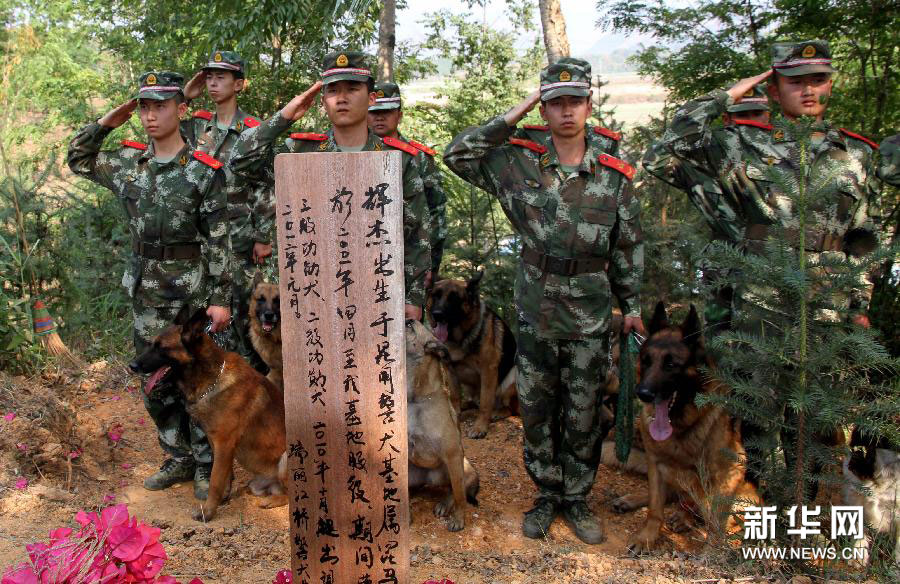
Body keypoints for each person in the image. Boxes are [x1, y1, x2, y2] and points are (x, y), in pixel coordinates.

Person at [642, 40, 886, 501]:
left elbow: (864, 237)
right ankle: (766, 519)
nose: (808, 90)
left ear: (831, 84)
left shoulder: (854, 154)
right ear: (774, 90)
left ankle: (805, 523)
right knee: (758, 417)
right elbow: (666, 148)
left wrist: (860, 305)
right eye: (795, 82)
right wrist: (729, 95)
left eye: (818, 79)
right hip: (762, 302)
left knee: (818, 420)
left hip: (827, 302)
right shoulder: (740, 146)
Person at [444, 57, 645, 544]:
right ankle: (546, 496)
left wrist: (632, 305)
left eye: (575, 100)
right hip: (536, 308)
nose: (566, 111)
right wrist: (516, 113)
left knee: (581, 409)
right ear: (544, 106)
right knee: (536, 409)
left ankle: (577, 498)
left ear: (588, 104)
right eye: (555, 102)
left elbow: (627, 245)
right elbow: (457, 153)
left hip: (591, 312)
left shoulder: (614, 172)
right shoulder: (516, 161)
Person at [67, 72, 232, 499]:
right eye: (144, 106)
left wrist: (220, 299)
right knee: (153, 381)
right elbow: (79, 158)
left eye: (160, 105)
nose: (150, 115)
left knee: (201, 378)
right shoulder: (127, 166)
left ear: (181, 109)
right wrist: (112, 118)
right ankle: (176, 456)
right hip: (147, 291)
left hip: (192, 290)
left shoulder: (202, 171)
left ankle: (206, 463)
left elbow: (219, 238)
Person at [232, 50, 430, 320]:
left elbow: (416, 233)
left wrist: (413, 297)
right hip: (312, 289)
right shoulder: (300, 151)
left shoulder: (396, 160)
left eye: (352, 88)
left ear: (371, 98)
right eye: (333, 90)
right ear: (323, 100)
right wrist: (285, 116)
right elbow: (240, 161)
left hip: (376, 289)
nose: (342, 98)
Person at [643, 83, 771, 332]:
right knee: (720, 352)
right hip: (723, 273)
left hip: (772, 271)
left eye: (757, 115)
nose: (750, 124)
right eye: (742, 116)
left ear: (769, 117)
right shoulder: (701, 164)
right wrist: (719, 99)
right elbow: (654, 159)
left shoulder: (781, 166)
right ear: (726, 119)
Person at [181, 50, 275, 369]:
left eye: (221, 77)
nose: (213, 83)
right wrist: (186, 94)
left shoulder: (252, 130)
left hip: (240, 241)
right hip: (201, 242)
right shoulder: (196, 127)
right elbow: (161, 128)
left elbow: (266, 184)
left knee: (248, 320)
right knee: (209, 321)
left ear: (239, 84)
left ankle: (261, 390)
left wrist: (263, 235)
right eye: (209, 76)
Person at [368, 82, 447, 278]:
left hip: (409, 258)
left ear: (399, 115)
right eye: (373, 112)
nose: (380, 117)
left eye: (387, 111)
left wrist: (430, 264)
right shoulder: (351, 154)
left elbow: (436, 211)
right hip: (364, 255)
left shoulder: (418, 157)